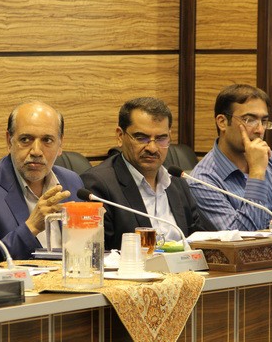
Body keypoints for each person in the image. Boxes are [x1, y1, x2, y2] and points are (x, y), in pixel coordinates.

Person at [0, 101, 83, 263]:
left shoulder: (72, 182)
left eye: (47, 140)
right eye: (26, 139)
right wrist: (31, 227)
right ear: (9, 141)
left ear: (60, 143)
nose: (36, 151)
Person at [80, 97, 212, 250]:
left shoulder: (177, 182)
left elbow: (198, 240)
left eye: (161, 138)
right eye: (141, 138)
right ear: (120, 136)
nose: (152, 148)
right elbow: (99, 253)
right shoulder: (99, 185)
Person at [190, 84, 272, 231]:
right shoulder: (203, 180)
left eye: (264, 121)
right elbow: (240, 238)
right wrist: (257, 173)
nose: (260, 130)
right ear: (222, 122)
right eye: (249, 120)